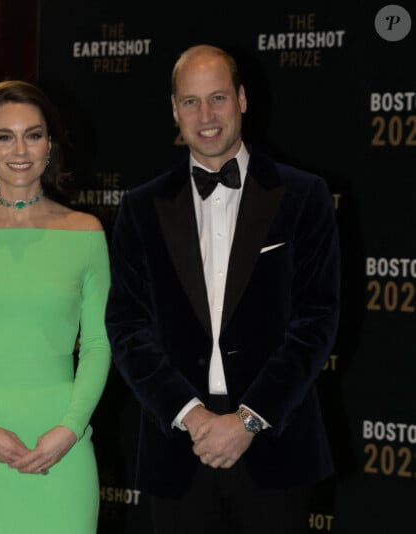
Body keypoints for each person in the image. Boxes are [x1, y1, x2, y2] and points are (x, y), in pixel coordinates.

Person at [105, 44, 340, 533]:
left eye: (217, 98)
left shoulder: (303, 196)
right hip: (179, 448)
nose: (205, 115)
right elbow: (128, 327)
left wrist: (248, 420)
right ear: (174, 109)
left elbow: (316, 322)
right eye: (190, 102)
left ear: (242, 100)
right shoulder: (141, 207)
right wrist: (192, 416)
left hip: (275, 446)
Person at [0, 80, 111, 534]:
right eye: (5, 136)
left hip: (65, 445)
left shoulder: (86, 232)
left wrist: (68, 429)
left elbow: (99, 343)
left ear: (50, 144)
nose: (20, 149)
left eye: (33, 133)